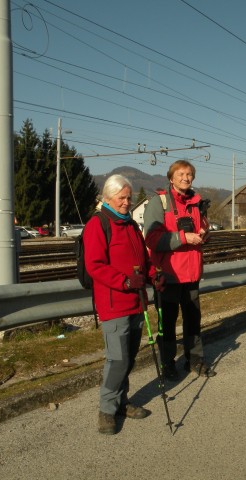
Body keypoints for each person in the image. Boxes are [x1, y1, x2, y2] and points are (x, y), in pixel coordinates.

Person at [84, 174, 165, 435]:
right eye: (122, 197)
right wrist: (125, 281)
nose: (127, 202)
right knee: (117, 360)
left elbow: (143, 259)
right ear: (108, 198)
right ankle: (107, 410)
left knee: (127, 358)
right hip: (114, 303)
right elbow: (95, 266)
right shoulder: (98, 225)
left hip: (135, 301)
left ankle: (121, 402)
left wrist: (153, 274)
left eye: (129, 197)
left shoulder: (130, 225)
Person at [144, 159, 215, 380]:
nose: (186, 178)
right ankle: (167, 363)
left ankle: (195, 360)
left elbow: (202, 227)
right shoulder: (160, 202)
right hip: (168, 275)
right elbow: (152, 239)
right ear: (171, 177)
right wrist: (184, 237)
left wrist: (205, 234)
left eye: (189, 174)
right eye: (181, 174)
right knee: (167, 323)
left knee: (193, 320)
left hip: (191, 273)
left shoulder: (196, 202)